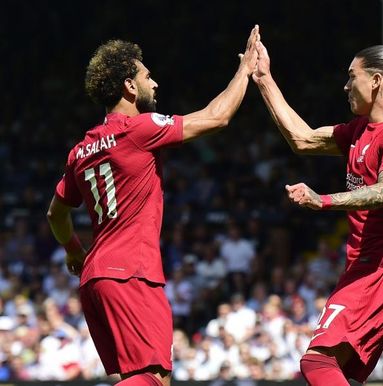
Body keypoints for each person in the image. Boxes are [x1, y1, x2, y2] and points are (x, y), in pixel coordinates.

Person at [46, 25, 260, 386]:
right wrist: (245, 70)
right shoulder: (139, 129)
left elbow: (56, 213)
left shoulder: (80, 151)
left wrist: (75, 252)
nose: (155, 83)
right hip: (131, 272)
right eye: (148, 76)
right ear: (130, 86)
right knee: (153, 378)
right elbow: (216, 117)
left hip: (95, 278)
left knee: (131, 377)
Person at [252, 39, 383, 385]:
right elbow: (301, 139)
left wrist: (323, 200)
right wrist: (264, 79)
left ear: (376, 81)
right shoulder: (359, 130)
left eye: (352, 77)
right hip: (364, 268)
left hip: (382, 268)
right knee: (338, 375)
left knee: (317, 362)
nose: (346, 86)